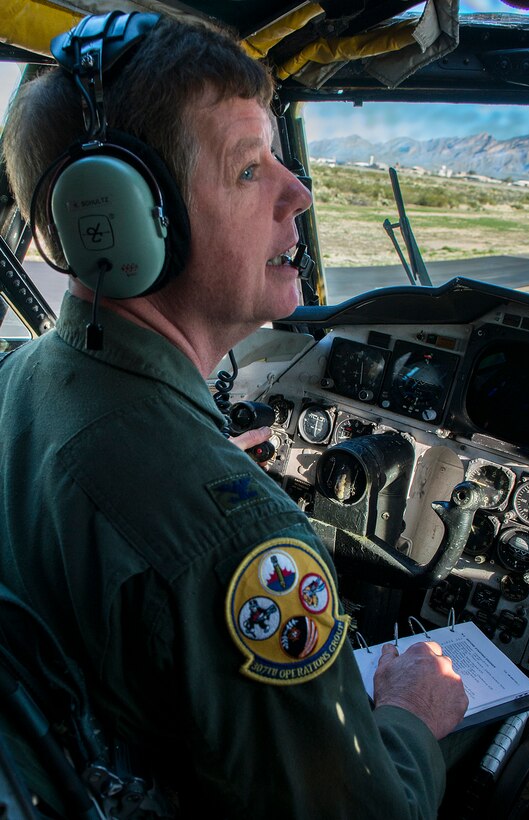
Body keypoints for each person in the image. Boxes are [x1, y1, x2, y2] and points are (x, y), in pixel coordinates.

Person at [0, 10, 469, 818]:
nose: (300, 192)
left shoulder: (22, 377)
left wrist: (196, 473)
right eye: (249, 169)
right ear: (113, 218)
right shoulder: (241, 547)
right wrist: (411, 717)